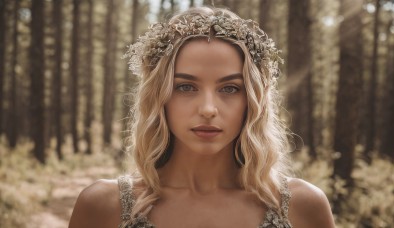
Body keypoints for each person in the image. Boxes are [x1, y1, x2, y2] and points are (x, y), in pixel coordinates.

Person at [69, 6, 335, 228]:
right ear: (159, 96)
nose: (208, 108)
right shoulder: (102, 207)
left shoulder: (303, 207)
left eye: (230, 88)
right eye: (185, 87)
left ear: (253, 101)